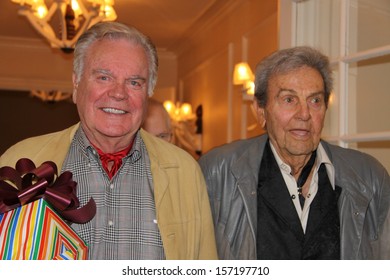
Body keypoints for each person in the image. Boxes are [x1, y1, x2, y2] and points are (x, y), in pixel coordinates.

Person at [0, 22, 217, 260]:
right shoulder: (21, 162)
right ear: (76, 84)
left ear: (149, 92)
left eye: (134, 82)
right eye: (104, 77)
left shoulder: (184, 171)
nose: (118, 93)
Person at [198, 46, 390, 260]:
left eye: (315, 100)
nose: (304, 114)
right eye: (289, 99)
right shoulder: (217, 173)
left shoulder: (370, 177)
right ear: (261, 111)